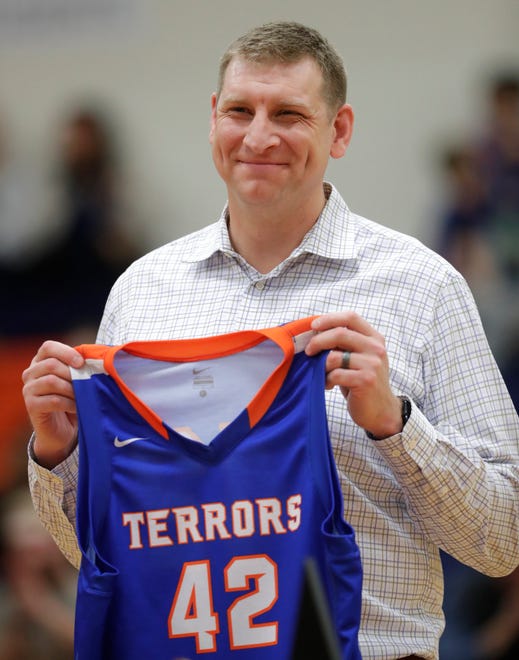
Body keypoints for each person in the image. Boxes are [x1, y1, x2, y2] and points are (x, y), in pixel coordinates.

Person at [22, 21, 519, 660]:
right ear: (213, 120)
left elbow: (503, 541)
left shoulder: (423, 287)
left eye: (288, 114)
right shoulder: (140, 294)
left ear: (338, 130)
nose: (259, 136)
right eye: (240, 110)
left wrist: (394, 425)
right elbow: (104, 550)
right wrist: (57, 451)